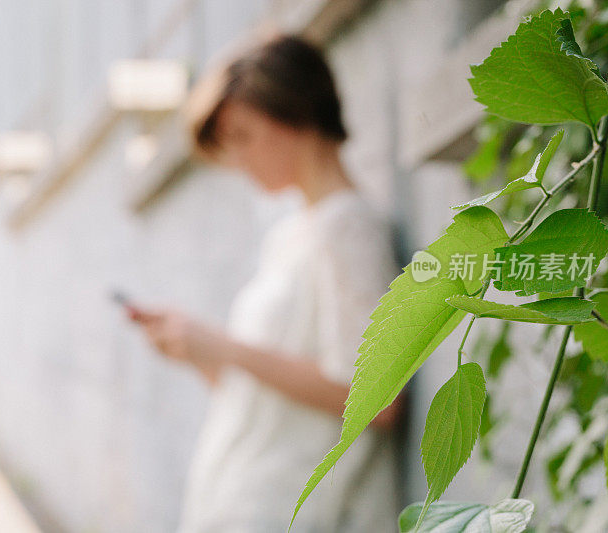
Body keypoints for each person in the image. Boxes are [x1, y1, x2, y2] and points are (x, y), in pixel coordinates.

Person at [126, 34, 402, 533]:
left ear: (295, 115)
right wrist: (200, 353)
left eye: (243, 135)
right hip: (240, 501)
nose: (238, 158)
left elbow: (379, 403)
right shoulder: (293, 233)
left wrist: (226, 348)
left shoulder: (348, 228)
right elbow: (264, 402)